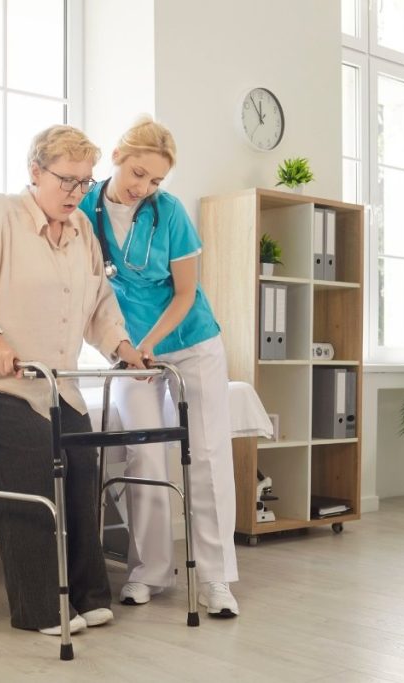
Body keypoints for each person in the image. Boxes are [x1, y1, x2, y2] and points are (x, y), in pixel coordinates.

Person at [0, 124, 145, 635]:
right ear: (35, 172)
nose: (76, 193)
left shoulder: (83, 234)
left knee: (81, 460)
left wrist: (122, 347)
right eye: (66, 181)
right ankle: (41, 608)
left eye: (84, 183)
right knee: (34, 456)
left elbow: (99, 304)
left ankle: (88, 596)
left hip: (52, 383)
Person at [79, 116, 240, 617]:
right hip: (129, 352)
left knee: (208, 453)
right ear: (117, 158)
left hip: (191, 341)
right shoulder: (83, 210)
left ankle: (216, 579)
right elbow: (87, 293)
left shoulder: (168, 213)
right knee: (145, 454)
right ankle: (148, 572)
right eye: (138, 174)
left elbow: (186, 293)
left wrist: (145, 344)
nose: (144, 187)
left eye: (156, 180)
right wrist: (123, 350)